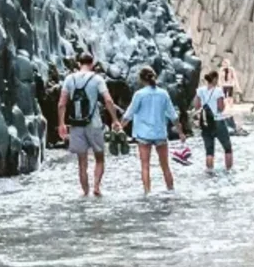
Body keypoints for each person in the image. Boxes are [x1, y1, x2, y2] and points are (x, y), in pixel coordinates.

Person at [57, 52, 123, 197]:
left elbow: (62, 104)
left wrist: (61, 123)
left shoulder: (69, 79)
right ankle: (97, 187)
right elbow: (108, 101)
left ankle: (85, 192)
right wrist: (115, 120)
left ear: (78, 64)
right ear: (92, 64)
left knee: (82, 162)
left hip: (76, 124)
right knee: (99, 158)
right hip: (94, 123)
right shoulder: (97, 79)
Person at [120, 66, 186, 194]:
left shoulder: (139, 95)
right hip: (160, 133)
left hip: (143, 135)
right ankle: (171, 191)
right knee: (165, 166)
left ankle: (147, 193)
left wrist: (119, 127)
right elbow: (173, 115)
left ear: (141, 79)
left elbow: (129, 114)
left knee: (145, 166)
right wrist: (181, 132)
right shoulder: (163, 94)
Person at [194, 70, 234, 171]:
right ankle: (229, 171)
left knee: (209, 151)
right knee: (227, 148)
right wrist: (224, 105)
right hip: (218, 121)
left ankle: (209, 172)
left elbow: (197, 106)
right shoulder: (218, 91)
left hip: (205, 122)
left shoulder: (200, 90)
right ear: (215, 79)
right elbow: (220, 108)